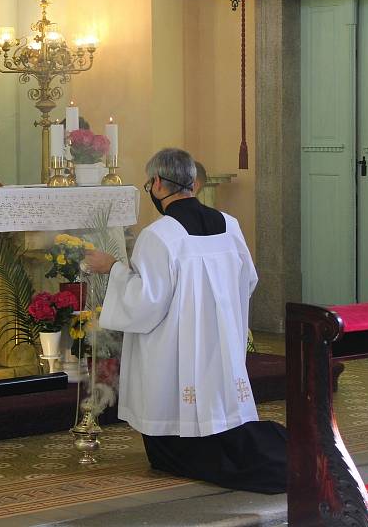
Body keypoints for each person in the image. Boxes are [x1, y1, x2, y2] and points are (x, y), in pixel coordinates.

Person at [84, 148, 286, 494]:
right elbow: (248, 279)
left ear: (158, 184)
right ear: (193, 182)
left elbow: (145, 302)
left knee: (175, 430)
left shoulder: (160, 235)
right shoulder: (229, 224)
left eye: (150, 183)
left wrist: (113, 267)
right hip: (220, 340)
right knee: (222, 418)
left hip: (175, 346)